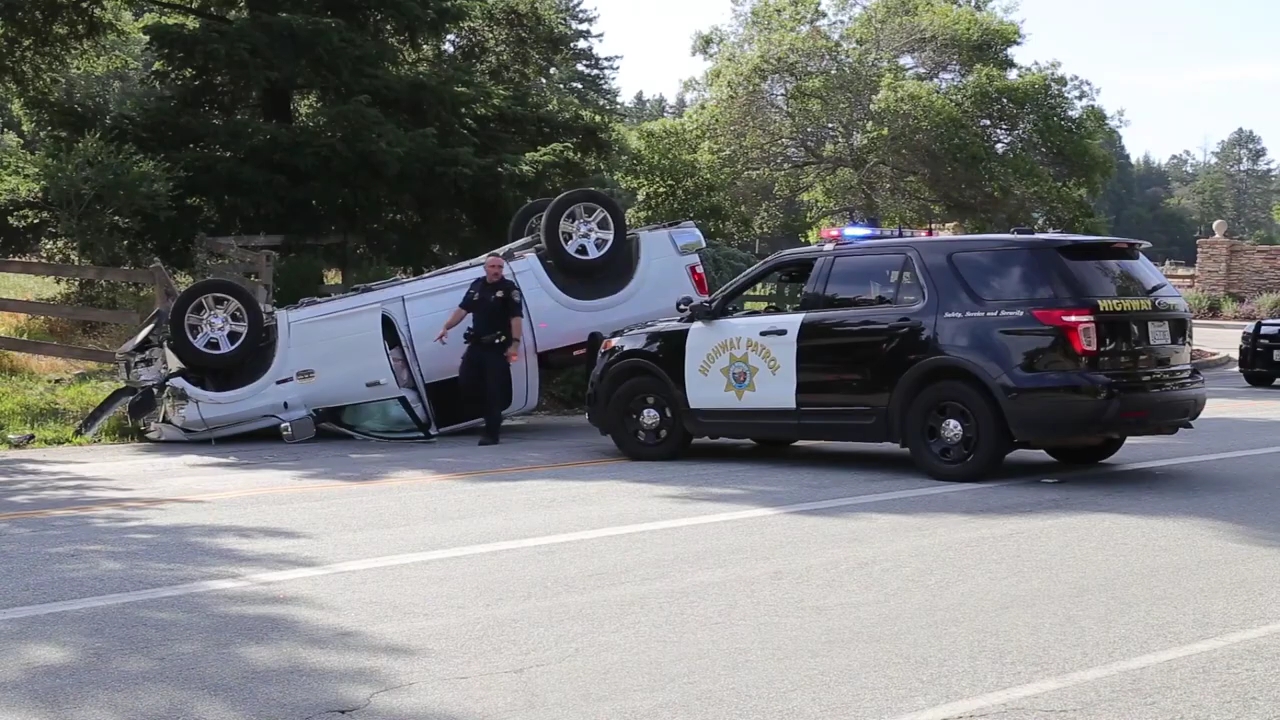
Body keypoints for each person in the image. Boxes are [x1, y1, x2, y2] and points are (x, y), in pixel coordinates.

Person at [434, 253, 524, 445]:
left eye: (500, 267)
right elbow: (463, 309)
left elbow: (516, 318)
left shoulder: (509, 289)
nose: (496, 271)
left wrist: (514, 344)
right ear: (485, 269)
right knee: (466, 381)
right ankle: (487, 416)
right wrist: (446, 327)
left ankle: (492, 433)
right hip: (477, 345)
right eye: (493, 267)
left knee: (493, 390)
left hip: (497, 347)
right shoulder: (477, 285)